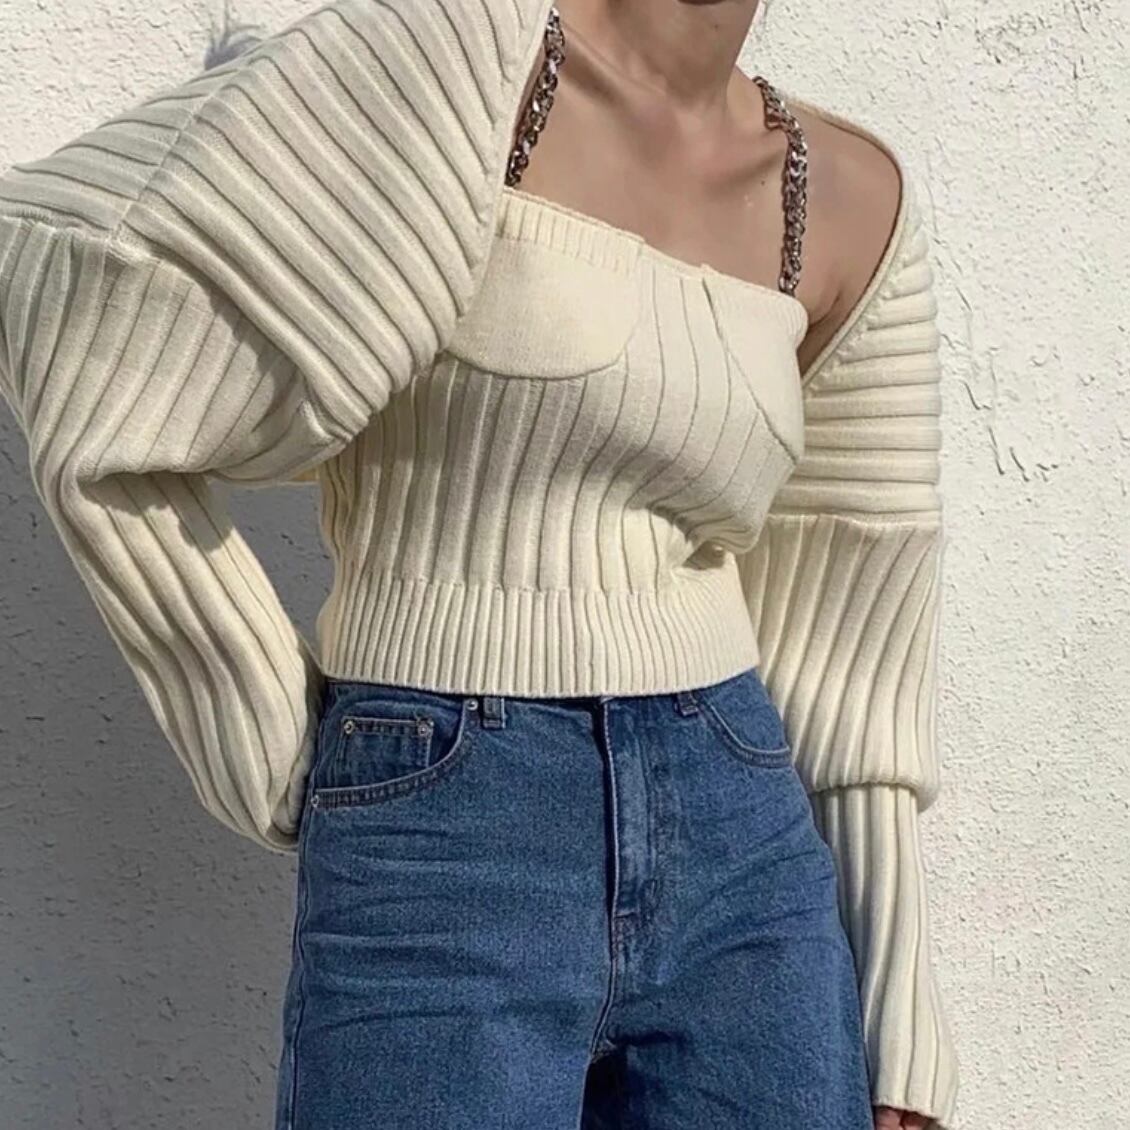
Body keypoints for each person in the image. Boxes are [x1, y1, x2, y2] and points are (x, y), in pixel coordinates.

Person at [0, 1, 958, 1127]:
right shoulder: (447, 57)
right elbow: (58, 272)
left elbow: (852, 629)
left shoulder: (847, 196)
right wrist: (266, 729)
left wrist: (896, 1007)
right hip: (448, 826)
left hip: (742, 835)